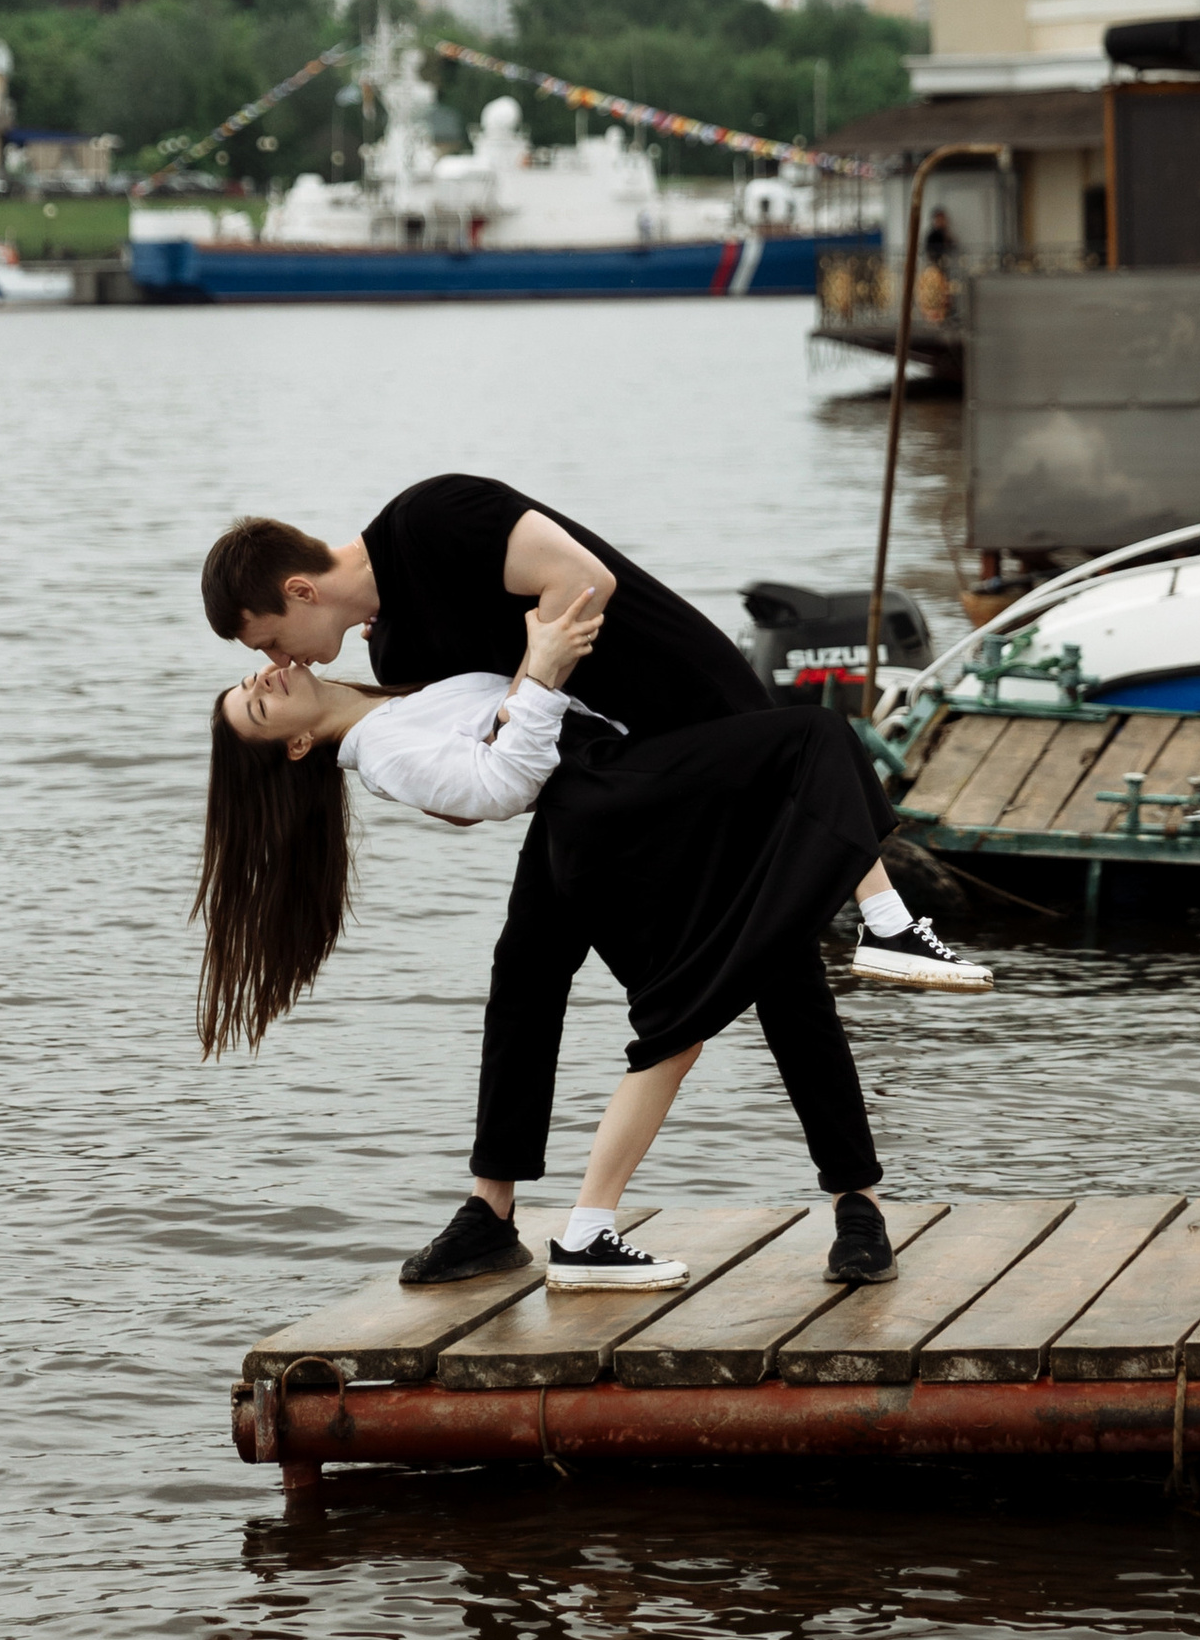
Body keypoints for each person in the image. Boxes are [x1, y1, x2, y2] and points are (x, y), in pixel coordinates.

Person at [201, 475, 989, 1285]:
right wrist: (520, 706)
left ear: (300, 592)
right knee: (526, 977)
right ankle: (492, 1213)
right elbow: (464, 776)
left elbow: (587, 584)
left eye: (267, 641)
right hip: (595, 778)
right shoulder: (392, 648)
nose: (274, 662)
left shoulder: (435, 518)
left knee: (784, 974)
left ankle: (855, 1203)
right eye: (261, 666)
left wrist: (528, 690)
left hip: (693, 714)